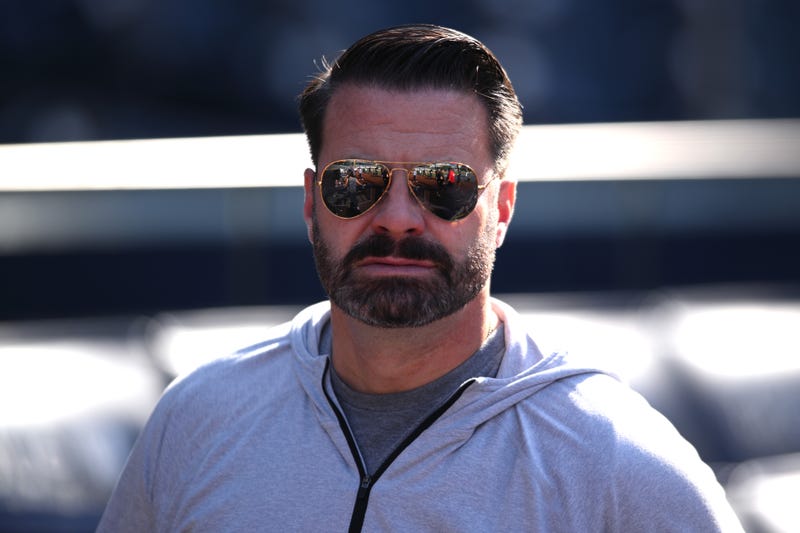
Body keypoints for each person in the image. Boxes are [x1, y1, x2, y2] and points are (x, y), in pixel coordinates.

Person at [97, 24, 744, 532]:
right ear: (312, 201)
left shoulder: (616, 463)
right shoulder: (198, 418)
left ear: (502, 209)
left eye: (445, 185)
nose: (399, 218)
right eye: (357, 181)